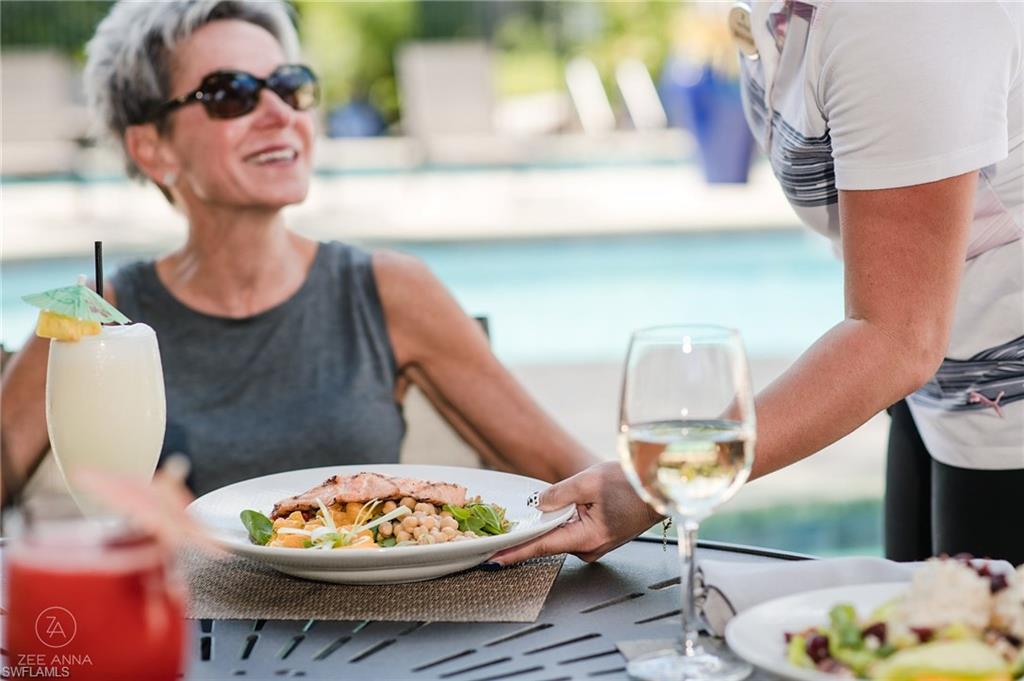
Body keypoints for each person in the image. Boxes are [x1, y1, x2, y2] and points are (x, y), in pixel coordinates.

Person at [495, 1, 1024, 567]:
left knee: (970, 646)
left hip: (1004, 397)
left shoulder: (903, 17)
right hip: (941, 387)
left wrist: (660, 478)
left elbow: (897, 336)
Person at [0, 0, 595, 501]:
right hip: (175, 632)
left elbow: (574, 479)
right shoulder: (98, 313)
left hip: (375, 631)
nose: (279, 113)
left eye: (290, 86)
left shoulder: (389, 291)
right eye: (230, 93)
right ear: (153, 148)